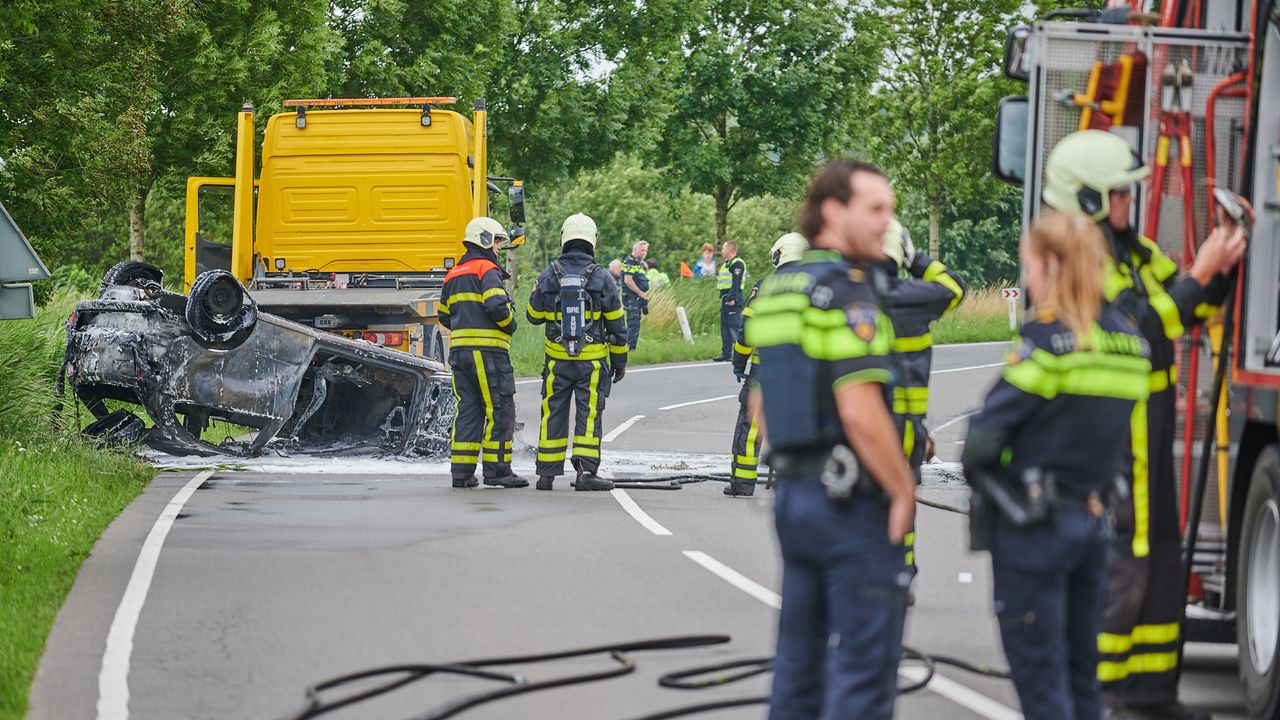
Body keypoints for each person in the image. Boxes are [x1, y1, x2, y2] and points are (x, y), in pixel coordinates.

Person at [1042, 130, 1247, 720]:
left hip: (1147, 431)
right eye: (1122, 193)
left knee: (1160, 563)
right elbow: (1135, 331)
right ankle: (1095, 697)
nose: (1133, 201)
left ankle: (1152, 694)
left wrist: (1221, 262)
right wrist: (1195, 278)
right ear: (1088, 199)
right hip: (1111, 435)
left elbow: (1189, 303)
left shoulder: (1133, 252)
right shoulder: (1076, 259)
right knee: (1120, 569)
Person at [964, 211, 1151, 720]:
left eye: (1030, 266)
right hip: (1094, 523)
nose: (1027, 280)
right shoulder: (1132, 345)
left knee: (1042, 685)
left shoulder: (1046, 341)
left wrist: (999, 498)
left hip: (1034, 528)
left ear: (1050, 264)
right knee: (1081, 682)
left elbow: (980, 444)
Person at [745, 160, 915, 718]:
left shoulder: (776, 291)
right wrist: (901, 490)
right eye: (875, 209)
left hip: (795, 497)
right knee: (864, 675)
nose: (886, 223)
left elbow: (759, 404)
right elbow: (861, 407)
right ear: (832, 210)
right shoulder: (849, 294)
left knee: (797, 665)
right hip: (850, 504)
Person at [879, 218, 966, 576]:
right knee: (902, 500)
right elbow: (954, 288)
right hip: (907, 429)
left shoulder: (846, 295)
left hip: (857, 424)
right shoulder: (913, 300)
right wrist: (915, 259)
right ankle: (901, 568)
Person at [526, 213, 629, 491]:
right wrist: (619, 361)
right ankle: (585, 473)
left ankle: (546, 474)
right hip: (592, 363)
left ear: (564, 238)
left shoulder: (548, 274)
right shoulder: (602, 277)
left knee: (552, 411)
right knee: (589, 414)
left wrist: (538, 292)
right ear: (591, 240)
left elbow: (533, 316)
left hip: (557, 362)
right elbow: (617, 325)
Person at [437, 217, 525, 489]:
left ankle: (461, 474)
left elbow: (443, 316)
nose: (498, 247)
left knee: (469, 411)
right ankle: (498, 471)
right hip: (488, 354)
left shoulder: (453, 274)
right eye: (497, 241)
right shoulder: (486, 269)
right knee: (500, 409)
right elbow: (498, 305)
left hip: (460, 354)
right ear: (485, 239)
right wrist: (510, 324)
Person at [725, 231, 807, 497]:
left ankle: (742, 484)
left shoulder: (766, 286)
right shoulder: (818, 287)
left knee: (751, 426)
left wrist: (739, 360)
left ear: (779, 255)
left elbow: (747, 328)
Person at [714, 241, 747, 361]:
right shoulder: (727, 264)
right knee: (725, 327)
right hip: (725, 297)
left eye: (723, 248)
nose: (722, 251)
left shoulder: (737, 263)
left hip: (733, 298)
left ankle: (740, 354)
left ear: (729, 250)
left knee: (734, 327)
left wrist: (732, 298)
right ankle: (726, 354)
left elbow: (736, 282)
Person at [621, 241, 650, 350]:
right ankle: (629, 347)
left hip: (637, 297)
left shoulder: (639, 263)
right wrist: (639, 292)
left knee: (636, 322)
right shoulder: (630, 262)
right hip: (631, 297)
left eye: (646, 250)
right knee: (632, 322)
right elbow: (628, 281)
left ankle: (632, 347)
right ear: (635, 249)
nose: (644, 253)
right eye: (642, 250)